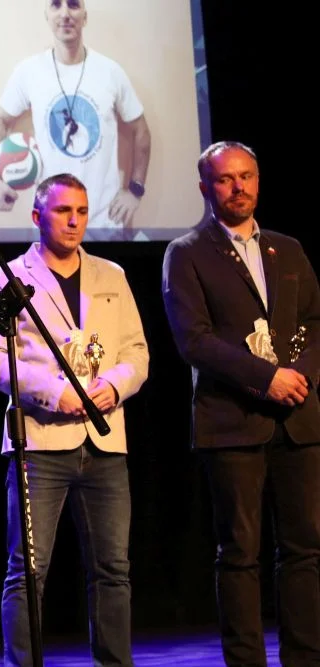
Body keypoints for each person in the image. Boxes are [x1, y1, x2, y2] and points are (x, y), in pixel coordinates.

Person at [0, 173, 149, 666]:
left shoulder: (111, 275)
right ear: (37, 216)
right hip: (39, 444)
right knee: (27, 571)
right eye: (62, 211)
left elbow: (137, 352)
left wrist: (113, 385)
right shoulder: (7, 278)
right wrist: (57, 394)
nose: (74, 221)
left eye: (81, 211)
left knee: (113, 569)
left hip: (105, 443)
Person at [161, 141, 320, 667]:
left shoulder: (287, 248)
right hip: (232, 421)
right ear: (205, 188)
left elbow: (314, 322)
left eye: (247, 176)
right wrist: (266, 379)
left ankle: (304, 657)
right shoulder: (186, 252)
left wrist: (300, 378)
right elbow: (195, 340)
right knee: (240, 552)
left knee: (303, 550)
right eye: (226, 179)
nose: (239, 187)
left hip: (298, 419)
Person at [0, 0, 151, 231]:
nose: (65, 13)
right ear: (47, 16)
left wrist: (135, 190)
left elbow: (141, 131)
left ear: (85, 16)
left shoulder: (110, 72)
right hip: (49, 222)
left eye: (73, 5)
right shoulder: (28, 72)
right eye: (56, 5)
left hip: (104, 223)